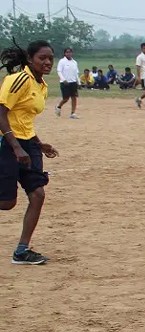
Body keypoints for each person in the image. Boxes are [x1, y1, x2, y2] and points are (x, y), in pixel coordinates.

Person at [0, 40, 59, 265]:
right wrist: (15, 147)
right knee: (6, 203)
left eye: (50, 59)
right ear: (29, 59)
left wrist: (38, 143)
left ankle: (22, 251)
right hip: (8, 143)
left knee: (38, 194)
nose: (46, 62)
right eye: (42, 58)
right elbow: (1, 114)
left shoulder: (41, 85)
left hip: (28, 145)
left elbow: (23, 119)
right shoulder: (18, 80)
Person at [54, 47, 79, 119]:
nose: (69, 53)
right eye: (67, 52)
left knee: (74, 97)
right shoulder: (62, 61)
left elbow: (76, 73)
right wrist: (63, 79)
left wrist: (78, 82)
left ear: (72, 53)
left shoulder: (74, 62)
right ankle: (58, 107)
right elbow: (59, 71)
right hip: (64, 82)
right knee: (66, 98)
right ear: (65, 53)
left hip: (73, 82)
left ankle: (73, 113)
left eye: (70, 52)